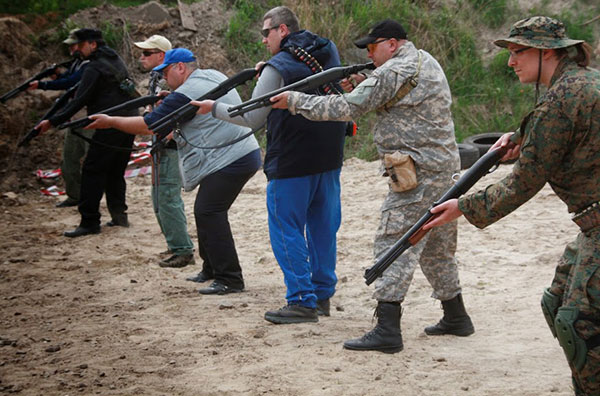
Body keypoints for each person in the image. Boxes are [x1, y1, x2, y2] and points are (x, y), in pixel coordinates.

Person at [421, 16, 599, 395]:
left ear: (546, 51)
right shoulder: (580, 83)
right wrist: (523, 135)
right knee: (557, 300)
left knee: (579, 323)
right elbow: (559, 130)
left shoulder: (562, 100)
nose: (510, 61)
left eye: (518, 52)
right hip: (591, 224)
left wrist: (462, 207)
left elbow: (523, 182)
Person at [270, 19, 474, 351]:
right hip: (444, 168)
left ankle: (388, 330)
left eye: (373, 47)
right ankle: (456, 316)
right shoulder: (423, 59)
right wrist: (367, 81)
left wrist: (294, 101)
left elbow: (346, 108)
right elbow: (393, 94)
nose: (370, 53)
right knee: (437, 247)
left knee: (392, 244)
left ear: (392, 44)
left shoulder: (392, 72)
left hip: (416, 175)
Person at [192, 6, 346, 323]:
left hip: (292, 160)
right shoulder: (327, 48)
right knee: (322, 228)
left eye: (266, 33)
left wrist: (214, 108)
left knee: (286, 228)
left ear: (282, 31)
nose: (263, 40)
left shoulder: (278, 67)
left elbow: (251, 118)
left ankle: (301, 301)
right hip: (329, 155)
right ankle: (321, 297)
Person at [86, 48, 262, 295]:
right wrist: (173, 99)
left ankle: (230, 278)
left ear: (181, 67)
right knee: (205, 211)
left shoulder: (186, 92)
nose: (163, 78)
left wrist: (111, 121)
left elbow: (150, 125)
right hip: (241, 152)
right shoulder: (210, 74)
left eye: (166, 71)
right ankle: (211, 269)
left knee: (209, 211)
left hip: (232, 157)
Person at [36, 28, 139, 237]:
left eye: (80, 45)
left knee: (92, 171)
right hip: (129, 121)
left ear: (92, 44)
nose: (77, 50)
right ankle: (120, 216)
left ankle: (89, 222)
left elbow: (79, 100)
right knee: (115, 171)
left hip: (109, 123)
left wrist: (52, 122)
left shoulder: (94, 66)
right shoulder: (114, 58)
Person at [133, 35, 195, 269]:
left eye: (147, 53)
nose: (142, 57)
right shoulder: (157, 79)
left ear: (162, 55)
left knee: (168, 198)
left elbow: (183, 113)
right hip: (159, 144)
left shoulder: (175, 83)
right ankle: (175, 245)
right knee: (159, 198)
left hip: (170, 146)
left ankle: (182, 249)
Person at [28, 29, 93, 208]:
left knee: (93, 162)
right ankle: (75, 196)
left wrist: (43, 84)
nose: (72, 50)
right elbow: (68, 78)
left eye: (75, 46)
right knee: (69, 160)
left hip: (89, 118)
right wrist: (56, 76)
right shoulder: (77, 63)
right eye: (71, 47)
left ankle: (92, 199)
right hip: (73, 118)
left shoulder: (90, 65)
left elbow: (71, 83)